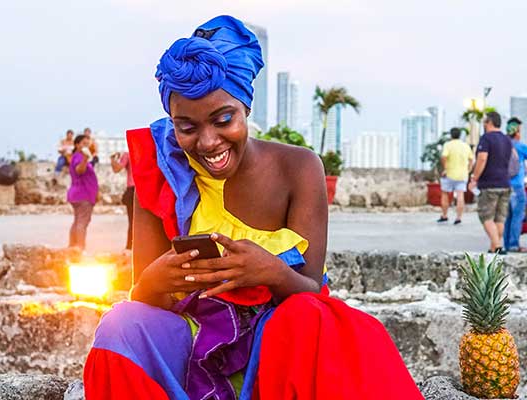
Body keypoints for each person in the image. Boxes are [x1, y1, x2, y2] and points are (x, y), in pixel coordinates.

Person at [85, 15, 418, 399]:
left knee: (312, 317)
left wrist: (271, 271)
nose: (208, 142)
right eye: (187, 127)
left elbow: (311, 289)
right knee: (120, 324)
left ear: (245, 108)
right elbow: (144, 300)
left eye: (223, 119)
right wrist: (154, 281)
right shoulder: (160, 173)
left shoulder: (298, 167)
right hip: (192, 348)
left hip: (277, 350)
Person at [472, 111, 516, 254]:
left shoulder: (486, 138)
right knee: (499, 218)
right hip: (505, 183)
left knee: (486, 216)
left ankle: (497, 246)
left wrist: (475, 178)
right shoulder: (507, 140)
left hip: (489, 184)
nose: (484, 125)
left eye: (485, 122)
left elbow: (482, 159)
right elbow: (514, 159)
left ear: (489, 122)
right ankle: (493, 248)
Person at [67, 133, 99, 251]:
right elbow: (79, 170)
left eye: (87, 143)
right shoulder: (79, 157)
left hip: (80, 194)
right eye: (84, 143)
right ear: (77, 144)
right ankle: (80, 247)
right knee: (82, 222)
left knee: (77, 221)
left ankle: (73, 246)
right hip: (82, 194)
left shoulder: (79, 157)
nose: (86, 146)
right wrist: (85, 158)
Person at [441, 127, 474, 224]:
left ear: (451, 135)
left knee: (445, 194)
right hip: (463, 174)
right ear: (460, 135)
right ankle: (458, 218)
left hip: (449, 174)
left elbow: (443, 157)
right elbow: (471, 159)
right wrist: (469, 169)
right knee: (460, 195)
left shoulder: (448, 145)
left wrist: (445, 168)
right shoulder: (466, 146)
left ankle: (444, 215)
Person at [507, 118, 527, 253]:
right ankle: (514, 244)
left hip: (504, 185)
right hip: (517, 186)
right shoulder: (520, 146)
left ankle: (507, 243)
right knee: (517, 215)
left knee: (507, 216)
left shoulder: (504, 145)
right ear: (517, 132)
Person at [111, 151, 135, 250]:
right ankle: (131, 247)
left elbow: (117, 169)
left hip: (133, 189)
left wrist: (112, 159)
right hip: (139, 189)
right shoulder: (149, 151)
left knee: (132, 221)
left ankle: (130, 247)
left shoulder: (128, 154)